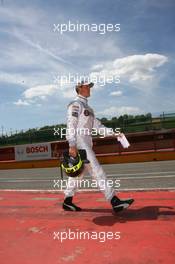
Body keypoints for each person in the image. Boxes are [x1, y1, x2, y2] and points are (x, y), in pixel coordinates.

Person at [62, 80, 134, 212]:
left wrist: (114, 133)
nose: (89, 88)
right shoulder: (75, 104)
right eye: (87, 86)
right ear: (79, 88)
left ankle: (67, 201)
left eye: (90, 86)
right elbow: (70, 125)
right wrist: (72, 144)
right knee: (97, 170)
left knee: (78, 174)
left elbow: (98, 127)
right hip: (80, 141)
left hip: (85, 142)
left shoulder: (87, 108)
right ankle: (114, 200)